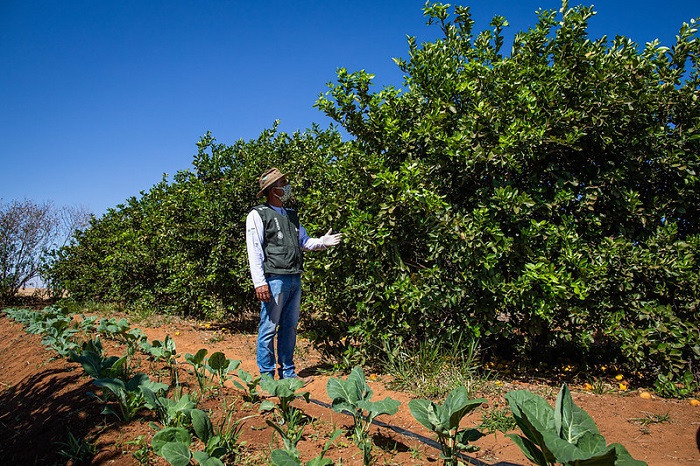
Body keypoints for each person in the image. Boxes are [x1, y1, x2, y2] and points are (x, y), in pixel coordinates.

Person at [245, 167, 342, 381]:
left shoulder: (291, 216)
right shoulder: (258, 215)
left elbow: (304, 242)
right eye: (282, 185)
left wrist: (322, 243)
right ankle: (267, 376)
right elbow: (254, 250)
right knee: (269, 327)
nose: (286, 188)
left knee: (289, 327)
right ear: (272, 190)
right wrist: (259, 283)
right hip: (274, 279)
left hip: (294, 278)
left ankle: (288, 373)